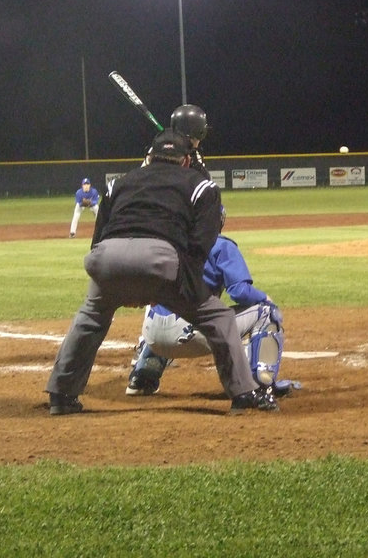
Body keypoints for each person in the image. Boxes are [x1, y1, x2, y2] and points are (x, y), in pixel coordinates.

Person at [45, 129, 278, 415]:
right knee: (218, 318)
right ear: (185, 161)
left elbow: (98, 238)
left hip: (106, 257)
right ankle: (243, 394)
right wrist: (188, 292)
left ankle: (61, 395)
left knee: (90, 318)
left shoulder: (119, 182)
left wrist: (118, 287)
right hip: (160, 259)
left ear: (150, 157)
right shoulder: (200, 185)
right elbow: (200, 244)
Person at [127, 205, 296, 398]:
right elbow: (240, 292)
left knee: (161, 297)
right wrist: (264, 297)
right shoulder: (222, 245)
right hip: (190, 335)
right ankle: (261, 385)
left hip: (152, 336)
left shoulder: (168, 244)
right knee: (267, 312)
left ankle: (142, 377)